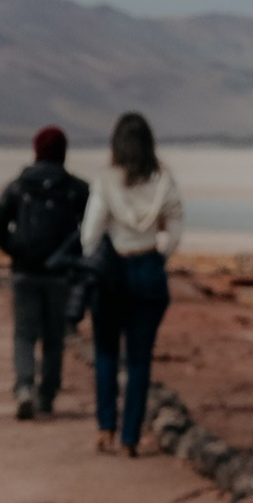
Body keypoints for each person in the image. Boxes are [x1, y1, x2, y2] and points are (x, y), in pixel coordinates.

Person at [79, 109, 185, 455]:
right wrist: (159, 253)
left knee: (106, 351)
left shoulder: (106, 180)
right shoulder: (163, 181)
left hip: (113, 273)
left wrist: (100, 258)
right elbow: (175, 229)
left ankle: (105, 426)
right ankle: (130, 438)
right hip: (149, 270)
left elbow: (89, 235)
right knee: (140, 359)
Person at [0, 123, 91, 420]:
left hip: (25, 272)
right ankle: (47, 394)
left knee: (24, 334)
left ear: (36, 151)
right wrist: (74, 257)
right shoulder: (76, 189)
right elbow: (92, 229)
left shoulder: (19, 186)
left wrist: (16, 250)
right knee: (54, 337)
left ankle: (24, 387)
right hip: (60, 275)